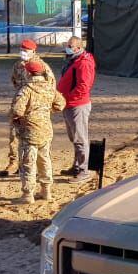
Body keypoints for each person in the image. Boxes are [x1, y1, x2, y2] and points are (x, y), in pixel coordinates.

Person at [11, 59, 67, 204]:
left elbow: (17, 110)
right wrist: (46, 111)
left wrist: (21, 118)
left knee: (28, 162)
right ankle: (46, 191)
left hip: (29, 131)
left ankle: (28, 195)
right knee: (44, 160)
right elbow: (61, 104)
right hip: (45, 129)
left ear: (28, 72)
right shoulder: (49, 87)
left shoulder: (26, 89)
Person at [2, 39, 54, 177]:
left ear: (33, 51)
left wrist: (43, 107)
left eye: (26, 50)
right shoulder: (18, 65)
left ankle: (34, 168)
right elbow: (14, 81)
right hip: (20, 105)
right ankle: (14, 162)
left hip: (36, 111)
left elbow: (51, 88)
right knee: (14, 134)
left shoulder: (42, 67)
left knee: (34, 141)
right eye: (22, 50)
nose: (23, 53)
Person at [57, 35, 97, 183]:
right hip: (70, 104)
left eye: (70, 46)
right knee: (74, 137)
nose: (67, 48)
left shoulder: (84, 63)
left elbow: (83, 87)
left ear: (79, 48)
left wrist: (68, 98)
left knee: (80, 138)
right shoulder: (74, 60)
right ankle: (77, 166)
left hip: (77, 105)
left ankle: (84, 170)